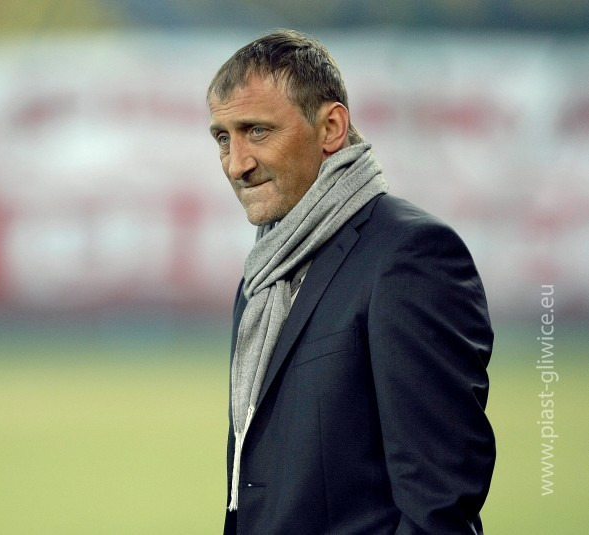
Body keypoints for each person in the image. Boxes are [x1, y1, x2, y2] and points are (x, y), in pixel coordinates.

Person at [207, 30, 495, 534]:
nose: (237, 164)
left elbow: (439, 505)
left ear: (331, 128)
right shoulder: (264, 271)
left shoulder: (411, 256)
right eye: (223, 137)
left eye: (257, 131)